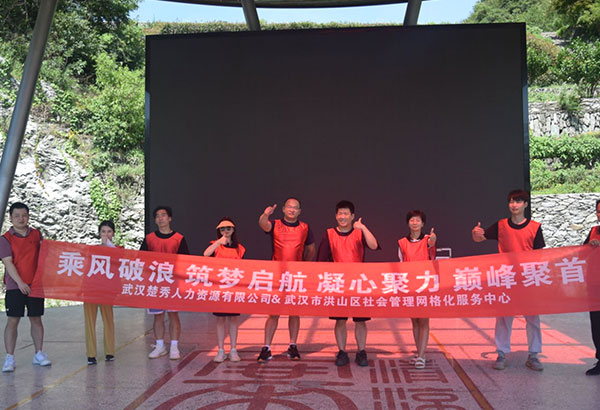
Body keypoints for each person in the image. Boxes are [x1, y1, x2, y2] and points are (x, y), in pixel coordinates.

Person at [472, 189, 545, 371]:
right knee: (504, 318)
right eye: (511, 201)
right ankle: (502, 353)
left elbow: (540, 255)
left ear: (525, 204)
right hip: (506, 279)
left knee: (532, 318)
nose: (514, 205)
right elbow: (479, 239)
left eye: (518, 201)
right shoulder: (501, 225)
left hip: (527, 279)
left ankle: (533, 355)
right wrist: (475, 233)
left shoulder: (535, 227)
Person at [317, 200, 379, 367]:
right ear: (336, 216)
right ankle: (342, 351)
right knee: (340, 320)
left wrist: (363, 228)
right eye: (340, 213)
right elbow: (320, 261)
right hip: (338, 284)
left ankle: (361, 351)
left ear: (352, 216)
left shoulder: (359, 232)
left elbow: (374, 246)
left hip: (358, 284)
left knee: (360, 321)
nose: (342, 217)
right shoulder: (329, 233)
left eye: (346, 214)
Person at [257, 197, 316, 362]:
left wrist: (303, 266)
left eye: (295, 208)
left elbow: (311, 249)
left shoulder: (305, 227)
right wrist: (265, 214)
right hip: (277, 275)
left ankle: (293, 345)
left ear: (299, 211)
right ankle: (266, 347)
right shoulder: (275, 224)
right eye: (289, 207)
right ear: (283, 209)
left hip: (296, 276)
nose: (292, 210)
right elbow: (263, 224)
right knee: (273, 313)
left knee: (294, 313)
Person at [1, 202, 50, 372]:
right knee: (13, 320)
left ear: (28, 216)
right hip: (15, 286)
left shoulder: (36, 234)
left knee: (36, 319)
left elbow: (45, 255)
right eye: (17, 216)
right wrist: (20, 283)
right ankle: (10, 357)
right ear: (11, 218)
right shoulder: (5, 239)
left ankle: (39, 353)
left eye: (24, 215)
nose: (21, 219)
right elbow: (8, 263)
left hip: (36, 285)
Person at [140, 206, 189, 360]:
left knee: (173, 314)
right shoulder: (149, 239)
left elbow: (186, 261)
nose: (160, 218)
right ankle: (160, 345)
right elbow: (141, 259)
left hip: (173, 283)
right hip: (155, 283)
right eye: (157, 216)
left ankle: (174, 346)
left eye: (163, 215)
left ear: (169, 218)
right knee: (158, 316)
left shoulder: (179, 238)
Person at [398, 210, 437, 369]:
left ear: (423, 224)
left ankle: (421, 355)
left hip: (424, 286)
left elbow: (432, 245)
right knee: (414, 321)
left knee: (424, 320)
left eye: (418, 220)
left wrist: (433, 240)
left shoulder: (428, 239)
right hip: (410, 286)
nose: (415, 223)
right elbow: (400, 263)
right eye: (412, 220)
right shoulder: (402, 242)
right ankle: (419, 352)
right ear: (408, 223)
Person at [203, 217, 245, 363]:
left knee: (233, 320)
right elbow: (206, 254)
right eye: (222, 229)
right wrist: (218, 243)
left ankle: (233, 349)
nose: (225, 231)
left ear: (233, 230)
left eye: (228, 228)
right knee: (220, 320)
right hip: (219, 289)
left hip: (234, 289)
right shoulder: (215, 245)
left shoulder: (240, 248)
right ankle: (221, 350)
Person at [84, 220, 117, 365]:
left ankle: (109, 352)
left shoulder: (117, 249)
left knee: (108, 320)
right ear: (99, 234)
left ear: (113, 234)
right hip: (91, 290)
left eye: (109, 232)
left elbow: (120, 264)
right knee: (90, 322)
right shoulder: (92, 249)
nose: (106, 235)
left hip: (106, 291)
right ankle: (91, 354)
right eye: (103, 232)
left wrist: (109, 247)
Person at [584, 199, 600, 376]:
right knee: (597, 325)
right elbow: (582, 252)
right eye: (599, 211)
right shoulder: (593, 231)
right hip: (595, 286)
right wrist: (590, 246)